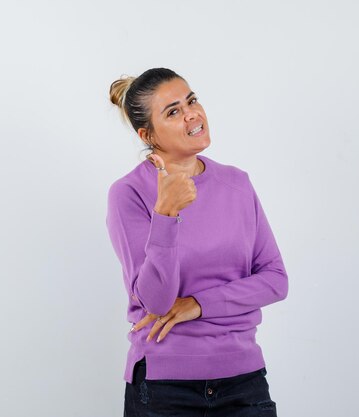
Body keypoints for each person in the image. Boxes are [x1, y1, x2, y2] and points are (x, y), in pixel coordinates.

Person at [105, 67, 289, 417]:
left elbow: (276, 280)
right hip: (164, 388)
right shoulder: (128, 194)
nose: (192, 114)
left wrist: (198, 304)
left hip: (244, 382)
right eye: (172, 111)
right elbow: (156, 302)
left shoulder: (237, 183)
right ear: (148, 134)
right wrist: (166, 214)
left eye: (192, 100)